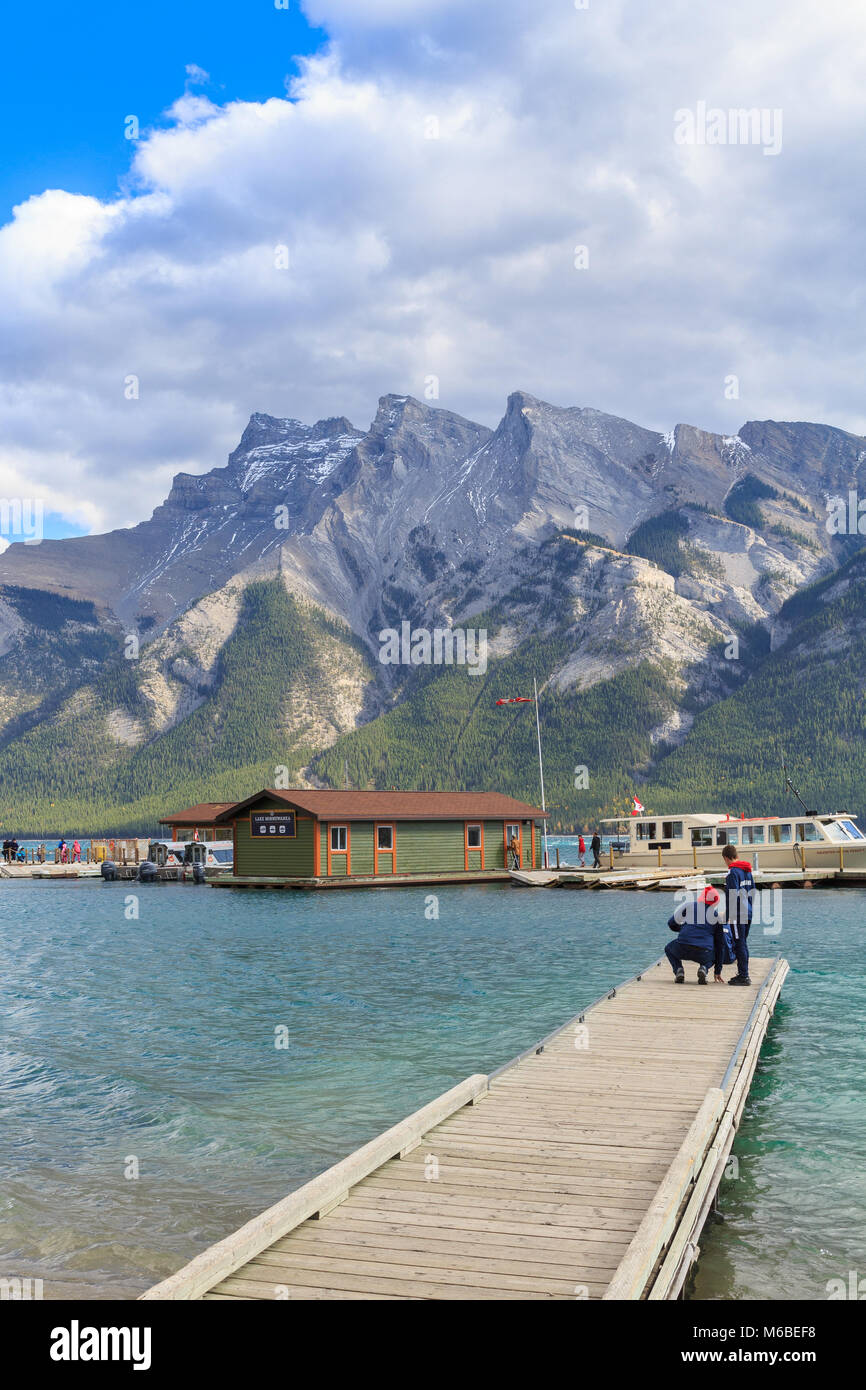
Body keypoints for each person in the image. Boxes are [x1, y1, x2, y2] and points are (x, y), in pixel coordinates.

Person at [666, 884, 726, 985]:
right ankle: (704, 968)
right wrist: (717, 971)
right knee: (715, 953)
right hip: (703, 952)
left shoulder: (688, 906)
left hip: (683, 946)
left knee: (668, 948)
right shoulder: (716, 916)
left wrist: (682, 930)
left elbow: (671, 923)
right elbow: (720, 945)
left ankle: (678, 970)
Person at [722, 843, 755, 985]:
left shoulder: (732, 873)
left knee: (739, 943)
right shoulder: (747, 871)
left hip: (737, 913)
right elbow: (752, 892)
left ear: (726, 858)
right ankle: (743, 973)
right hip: (747, 911)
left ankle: (743, 976)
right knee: (743, 942)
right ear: (736, 856)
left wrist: (728, 916)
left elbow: (732, 896)